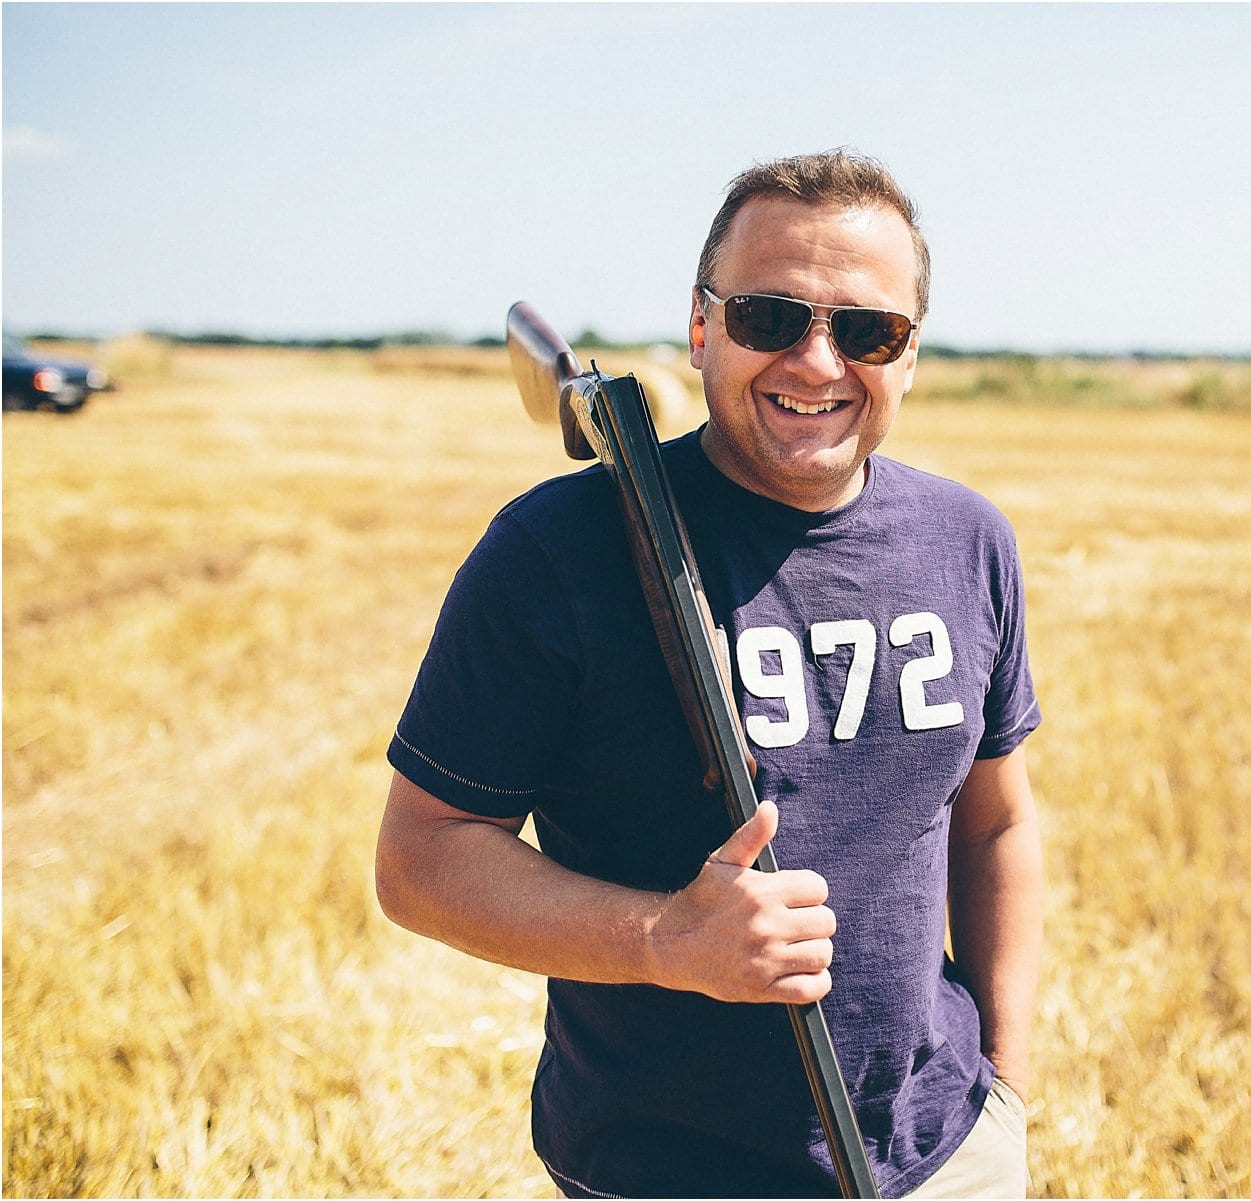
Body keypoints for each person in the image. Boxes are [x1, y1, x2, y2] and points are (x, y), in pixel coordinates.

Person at [376, 149, 1044, 1199]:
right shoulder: (558, 549)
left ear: (911, 355)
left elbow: (995, 821)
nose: (819, 364)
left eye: (869, 331)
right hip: (663, 1170)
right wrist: (665, 941)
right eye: (772, 318)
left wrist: (1004, 1076)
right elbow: (421, 860)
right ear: (702, 327)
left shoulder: (965, 541)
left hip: (944, 1154)